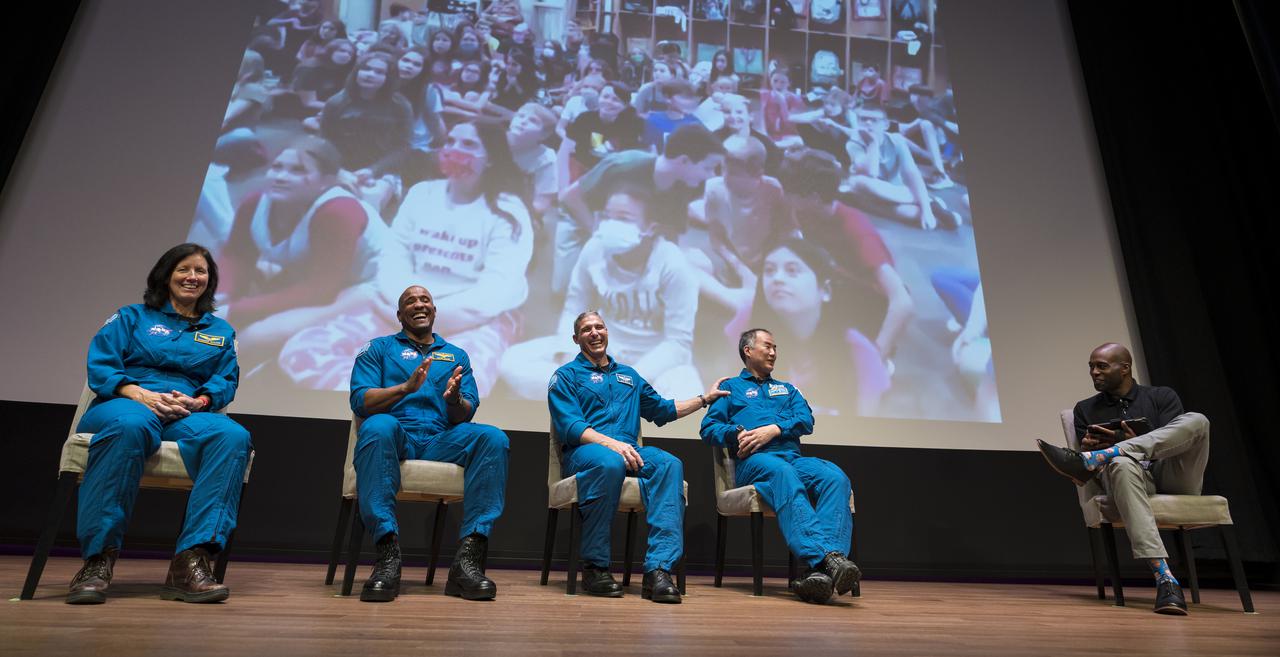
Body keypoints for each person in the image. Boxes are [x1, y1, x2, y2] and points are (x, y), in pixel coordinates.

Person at [277, 121, 532, 393]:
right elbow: (394, 257)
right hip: (401, 309)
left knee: (458, 385)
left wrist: (424, 320)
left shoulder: (508, 211)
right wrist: (409, 310)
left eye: (468, 144)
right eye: (450, 142)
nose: (454, 150)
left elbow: (493, 292)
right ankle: (384, 397)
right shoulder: (422, 194)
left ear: (491, 157)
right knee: (302, 352)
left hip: (474, 320)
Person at [68, 244, 252, 605]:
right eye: (184, 269)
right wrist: (139, 394)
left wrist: (198, 401)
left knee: (233, 436)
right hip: (124, 403)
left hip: (184, 412)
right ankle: (97, 559)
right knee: (130, 427)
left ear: (210, 282)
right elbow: (101, 365)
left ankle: (191, 562)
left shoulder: (220, 330)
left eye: (201, 272)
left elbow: (226, 379)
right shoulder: (132, 317)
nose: (192, 277)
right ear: (166, 275)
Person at [546, 311, 730, 602]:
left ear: (607, 332)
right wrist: (612, 445)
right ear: (575, 338)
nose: (594, 333)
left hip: (630, 452)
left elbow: (662, 409)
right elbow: (570, 426)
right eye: (586, 329)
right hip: (585, 454)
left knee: (670, 464)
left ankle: (658, 571)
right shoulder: (566, 375)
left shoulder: (628, 376)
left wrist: (704, 400)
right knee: (608, 461)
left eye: (600, 327)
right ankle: (595, 567)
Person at [348, 285, 510, 602]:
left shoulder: (456, 355)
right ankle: (387, 557)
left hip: (440, 439)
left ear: (434, 311)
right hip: (398, 436)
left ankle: (467, 562)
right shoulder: (379, 348)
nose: (419, 304)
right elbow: (360, 400)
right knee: (378, 425)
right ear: (399, 314)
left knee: (492, 437)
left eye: (425, 300)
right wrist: (405, 388)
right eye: (410, 301)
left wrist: (453, 400)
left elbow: (466, 411)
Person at [1036, 343, 1208, 616]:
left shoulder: (1162, 396)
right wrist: (1092, 449)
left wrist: (1132, 442)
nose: (1094, 372)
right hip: (1130, 478)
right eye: (1091, 367)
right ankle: (1165, 579)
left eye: (1101, 366)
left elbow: (1176, 441)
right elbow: (1090, 477)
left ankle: (1105, 454)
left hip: (1172, 473)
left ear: (1125, 368)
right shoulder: (1085, 409)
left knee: (1197, 420)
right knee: (1120, 463)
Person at [699, 328, 861, 603]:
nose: (773, 352)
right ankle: (829, 561)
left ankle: (819, 571)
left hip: (792, 459)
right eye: (767, 347)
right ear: (747, 351)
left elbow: (806, 420)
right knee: (782, 473)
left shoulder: (787, 389)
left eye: (776, 348)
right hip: (754, 462)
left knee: (835, 477)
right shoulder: (730, 389)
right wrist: (736, 433)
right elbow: (708, 428)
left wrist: (774, 428)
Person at [501, 184, 703, 399]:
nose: (611, 224)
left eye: (623, 218)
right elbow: (574, 308)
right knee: (512, 362)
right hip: (601, 350)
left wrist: (629, 380)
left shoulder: (674, 265)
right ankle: (595, 396)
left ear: (651, 228)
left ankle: (595, 398)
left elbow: (677, 344)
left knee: (688, 393)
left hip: (653, 360)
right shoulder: (595, 248)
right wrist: (571, 360)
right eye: (607, 216)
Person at [217, 137, 384, 371]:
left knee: (253, 337)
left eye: (298, 170)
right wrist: (222, 294)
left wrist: (236, 310)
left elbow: (321, 290)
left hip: (368, 286)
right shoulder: (255, 201)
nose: (281, 177)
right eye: (277, 167)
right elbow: (237, 253)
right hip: (319, 275)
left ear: (326, 181)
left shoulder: (339, 212)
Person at [726, 240, 891, 416]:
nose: (777, 279)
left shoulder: (859, 351)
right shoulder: (747, 322)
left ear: (825, 290)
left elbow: (864, 425)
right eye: (769, 271)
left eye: (792, 271)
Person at [555, 123, 725, 293]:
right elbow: (570, 197)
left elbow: (671, 234)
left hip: (630, 230)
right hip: (582, 220)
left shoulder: (688, 184)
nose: (710, 175)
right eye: (707, 167)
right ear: (684, 161)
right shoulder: (625, 165)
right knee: (565, 288)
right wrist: (597, 234)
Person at [846, 102, 957, 230]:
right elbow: (872, 173)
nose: (868, 123)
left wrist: (926, 210)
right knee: (860, 181)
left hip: (895, 193)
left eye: (874, 120)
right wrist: (873, 143)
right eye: (864, 119)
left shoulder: (896, 140)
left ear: (885, 124)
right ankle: (932, 204)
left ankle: (930, 208)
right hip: (870, 193)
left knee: (916, 212)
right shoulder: (854, 143)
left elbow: (912, 173)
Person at [318, 52, 413, 171]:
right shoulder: (336, 102)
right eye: (366, 69)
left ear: (389, 78)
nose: (370, 75)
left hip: (383, 170)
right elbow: (325, 141)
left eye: (379, 72)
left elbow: (403, 147)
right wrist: (339, 171)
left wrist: (373, 171)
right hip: (341, 169)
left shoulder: (400, 105)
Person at [507, 102, 559, 218]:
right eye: (520, 116)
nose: (523, 121)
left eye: (533, 121)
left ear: (543, 135)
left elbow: (542, 203)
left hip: (519, 211)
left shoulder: (546, 157)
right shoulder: (491, 142)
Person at [642, 78, 702, 154]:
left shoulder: (695, 123)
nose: (688, 102)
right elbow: (650, 150)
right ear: (667, 98)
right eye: (684, 97)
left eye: (690, 98)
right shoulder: (653, 121)